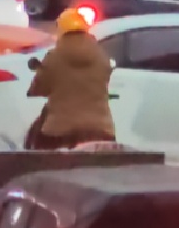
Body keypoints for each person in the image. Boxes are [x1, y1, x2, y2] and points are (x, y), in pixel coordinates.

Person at [26, 8, 116, 147]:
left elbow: (41, 87)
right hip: (101, 128)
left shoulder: (54, 56)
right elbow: (105, 77)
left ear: (61, 30)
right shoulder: (101, 55)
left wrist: (36, 88)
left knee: (39, 151)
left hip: (60, 129)